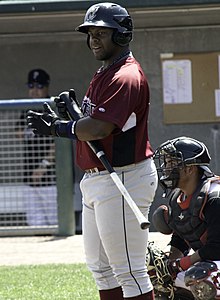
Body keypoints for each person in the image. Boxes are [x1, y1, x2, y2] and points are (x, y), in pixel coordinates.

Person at [26, 3, 158, 299]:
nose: (94, 39)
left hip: (123, 177)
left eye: (102, 32)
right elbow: (94, 122)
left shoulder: (125, 76)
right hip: (98, 179)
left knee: (130, 272)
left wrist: (58, 128)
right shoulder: (105, 71)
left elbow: (99, 129)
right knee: (100, 267)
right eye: (90, 33)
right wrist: (74, 115)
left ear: (122, 36)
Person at [152, 136, 220, 300]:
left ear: (190, 169)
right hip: (212, 262)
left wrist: (181, 265)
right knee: (157, 276)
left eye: (171, 163)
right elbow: (181, 237)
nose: (165, 168)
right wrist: (168, 266)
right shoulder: (178, 197)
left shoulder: (215, 197)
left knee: (200, 276)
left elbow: (216, 248)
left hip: (215, 260)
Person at [16, 68, 58, 226]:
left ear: (47, 87)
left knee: (55, 223)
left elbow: (58, 143)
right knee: (35, 223)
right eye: (31, 86)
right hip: (29, 176)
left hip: (51, 178)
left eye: (39, 87)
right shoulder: (28, 108)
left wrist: (43, 167)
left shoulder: (51, 108)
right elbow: (18, 132)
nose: (34, 90)